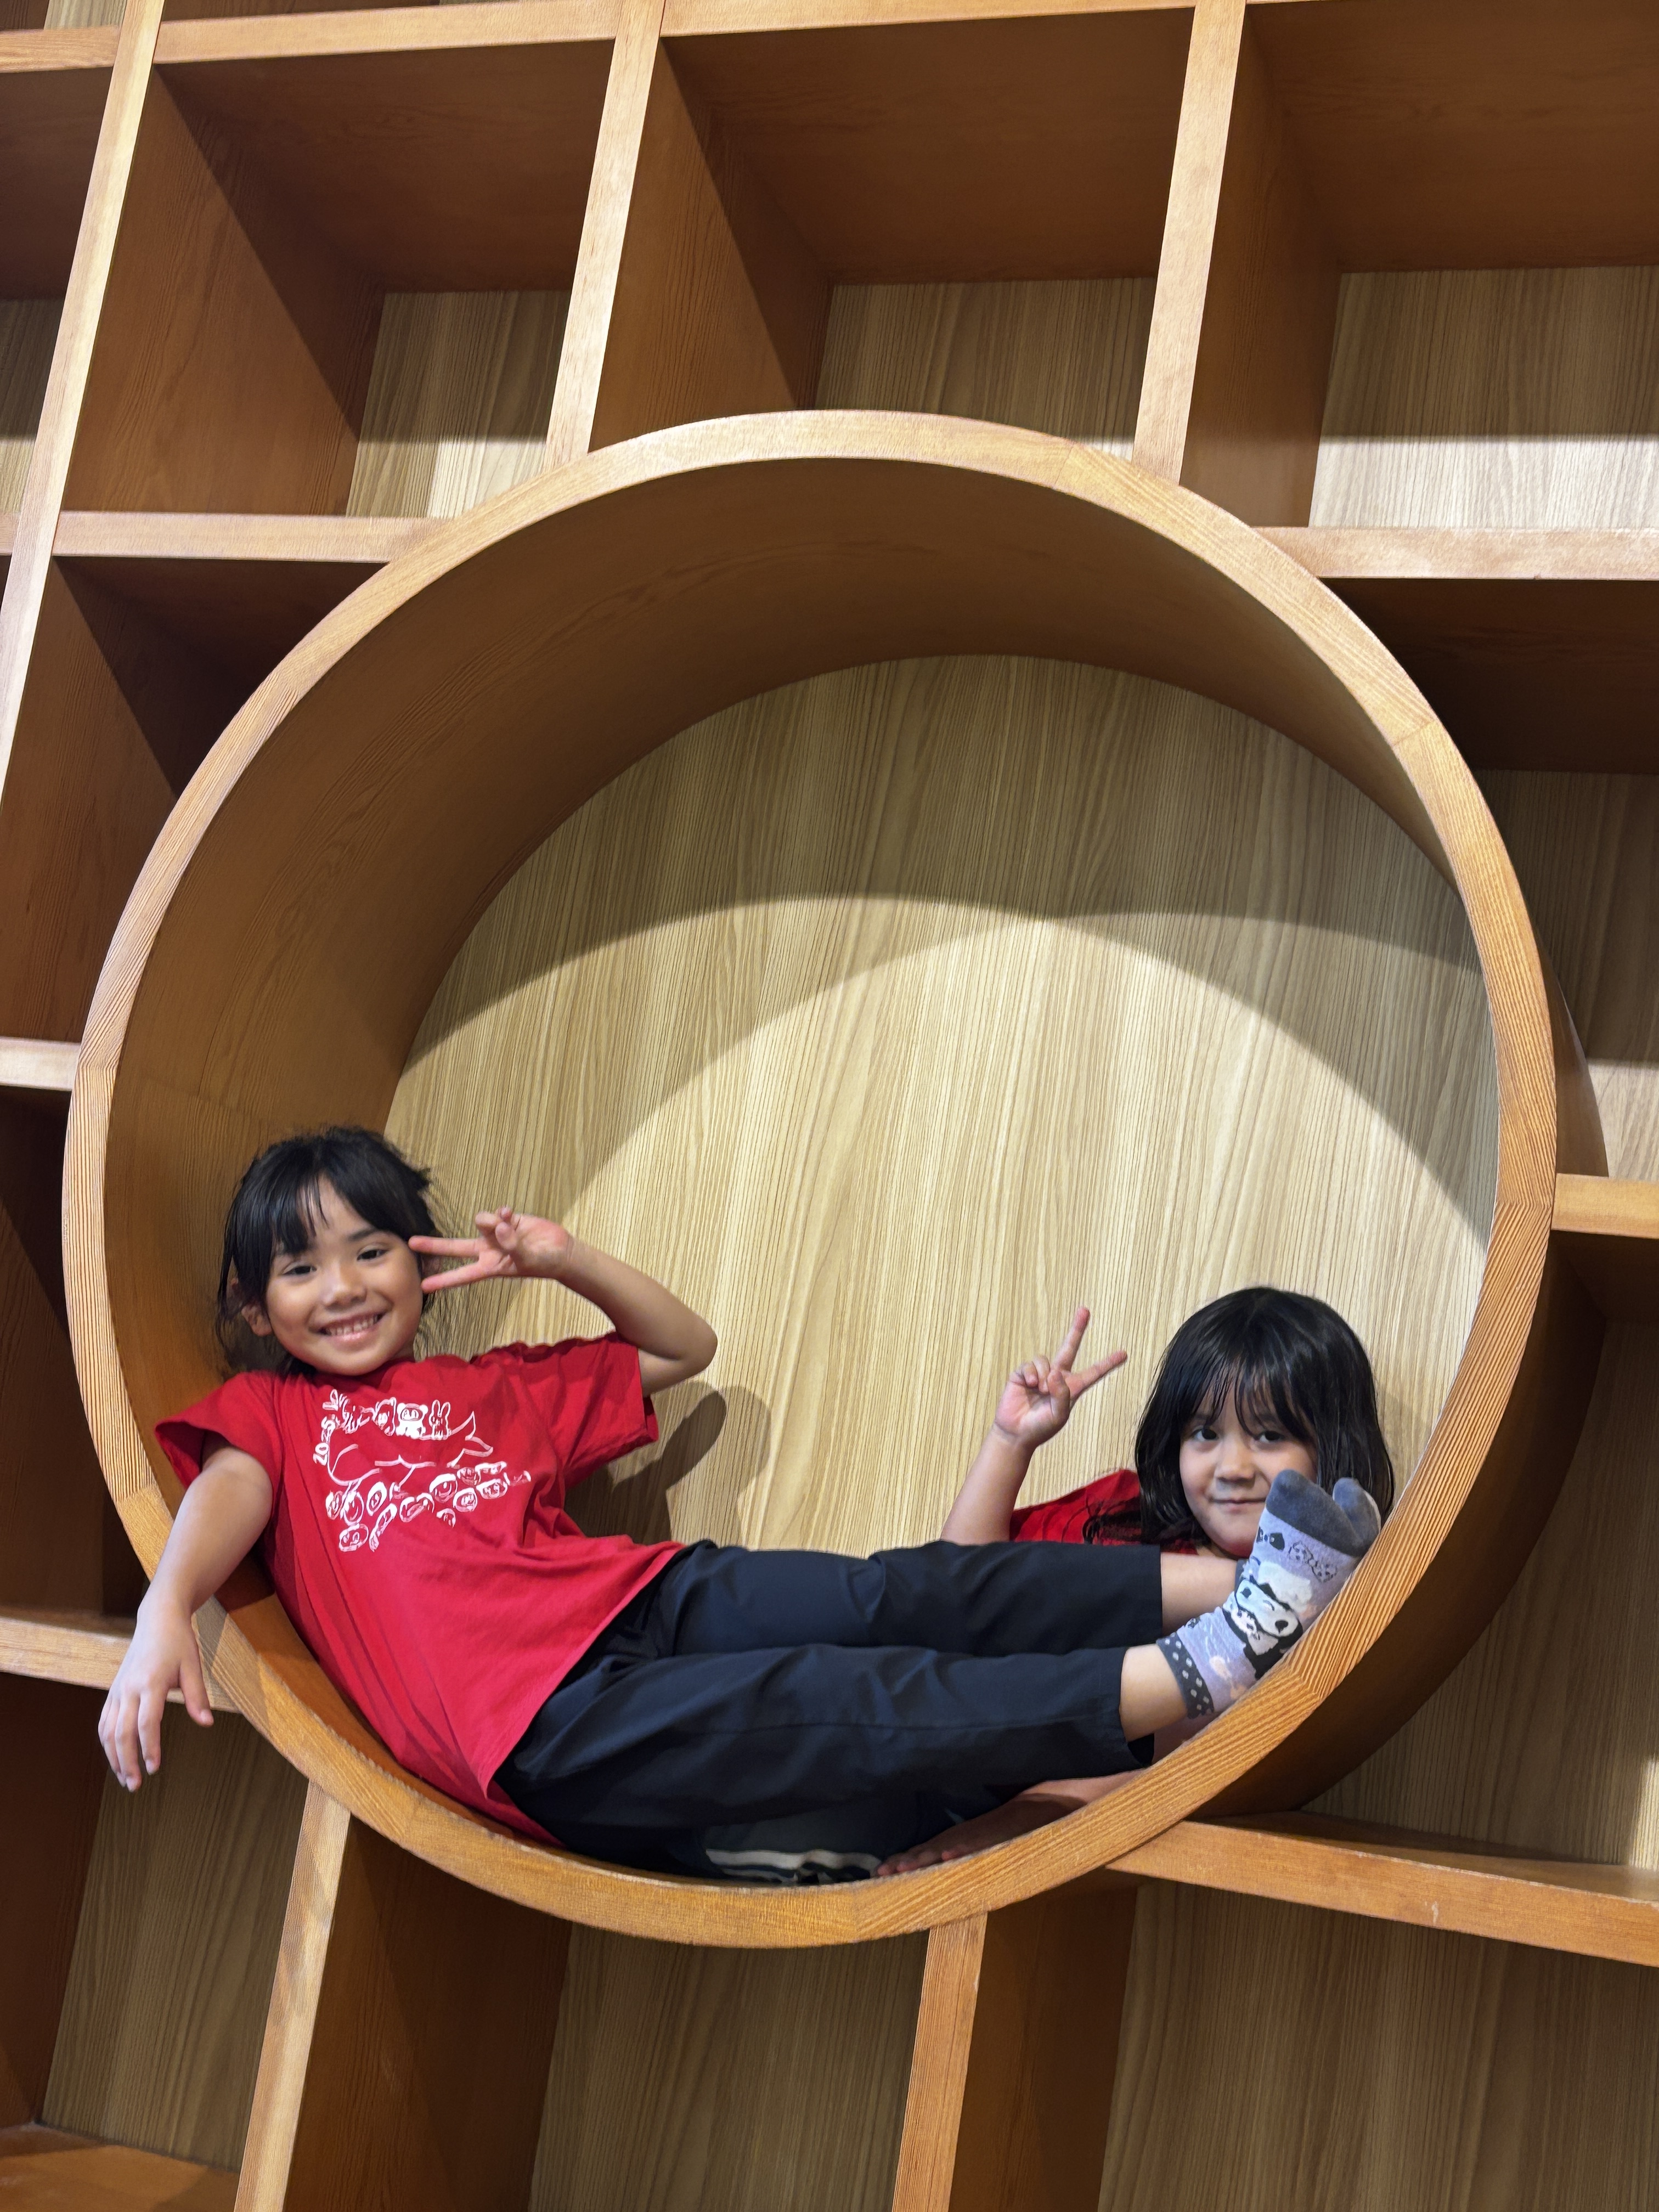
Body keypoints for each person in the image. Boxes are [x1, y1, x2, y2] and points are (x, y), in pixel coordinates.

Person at [98, 1127, 1379, 1881]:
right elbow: (227, 1493)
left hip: (637, 1598)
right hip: (540, 1723)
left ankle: (1258, 1586)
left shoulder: (496, 1386)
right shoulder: (276, 1413)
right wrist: (167, 1611)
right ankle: (1210, 1658)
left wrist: (563, 1258)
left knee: (896, 1592)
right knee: (854, 1699)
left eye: (372, 1250)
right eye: (301, 1268)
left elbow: (682, 1347)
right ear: (253, 1304)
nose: (344, 1287)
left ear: (420, 1262)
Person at [873, 1288, 1394, 1875]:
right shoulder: (1118, 1515)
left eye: (1270, 1436)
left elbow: (1174, 1758)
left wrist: (1021, 1817)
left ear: (1333, 1445)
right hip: (921, 1733)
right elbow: (955, 1592)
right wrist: (1010, 1443)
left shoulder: (1323, 1609)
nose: (1233, 1468)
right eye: (1205, 1433)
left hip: (1033, 1810)